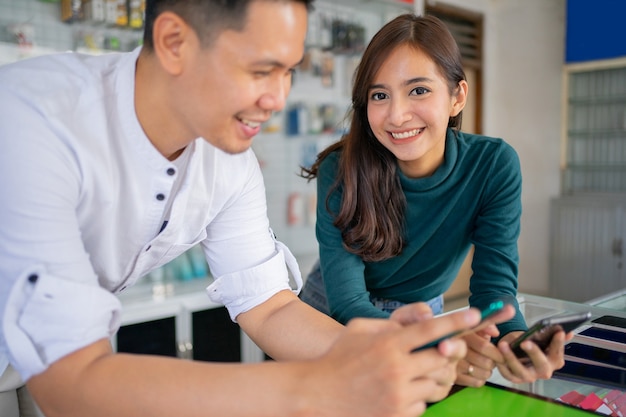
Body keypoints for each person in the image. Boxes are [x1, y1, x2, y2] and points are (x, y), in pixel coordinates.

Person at [0, 2, 508, 417]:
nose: (277, 98)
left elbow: (270, 306)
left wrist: (380, 356)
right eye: (261, 70)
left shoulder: (227, 161)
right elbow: (73, 383)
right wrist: (319, 388)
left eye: (287, 72)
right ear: (175, 42)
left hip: (51, 352)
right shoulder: (34, 121)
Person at [299, 13, 571, 388]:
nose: (396, 115)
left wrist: (513, 341)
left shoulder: (493, 164)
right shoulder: (341, 168)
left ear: (457, 97)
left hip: (424, 313)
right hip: (330, 314)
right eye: (380, 95)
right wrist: (437, 342)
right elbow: (348, 305)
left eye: (418, 90)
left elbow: (493, 290)